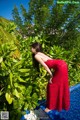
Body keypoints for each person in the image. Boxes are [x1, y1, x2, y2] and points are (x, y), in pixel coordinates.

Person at [31, 42, 70, 119]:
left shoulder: (36, 55)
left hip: (60, 66)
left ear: (35, 48)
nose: (31, 49)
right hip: (62, 64)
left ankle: (50, 107)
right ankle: (60, 103)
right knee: (60, 84)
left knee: (51, 85)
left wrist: (51, 75)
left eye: (32, 48)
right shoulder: (41, 53)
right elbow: (52, 61)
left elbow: (45, 66)